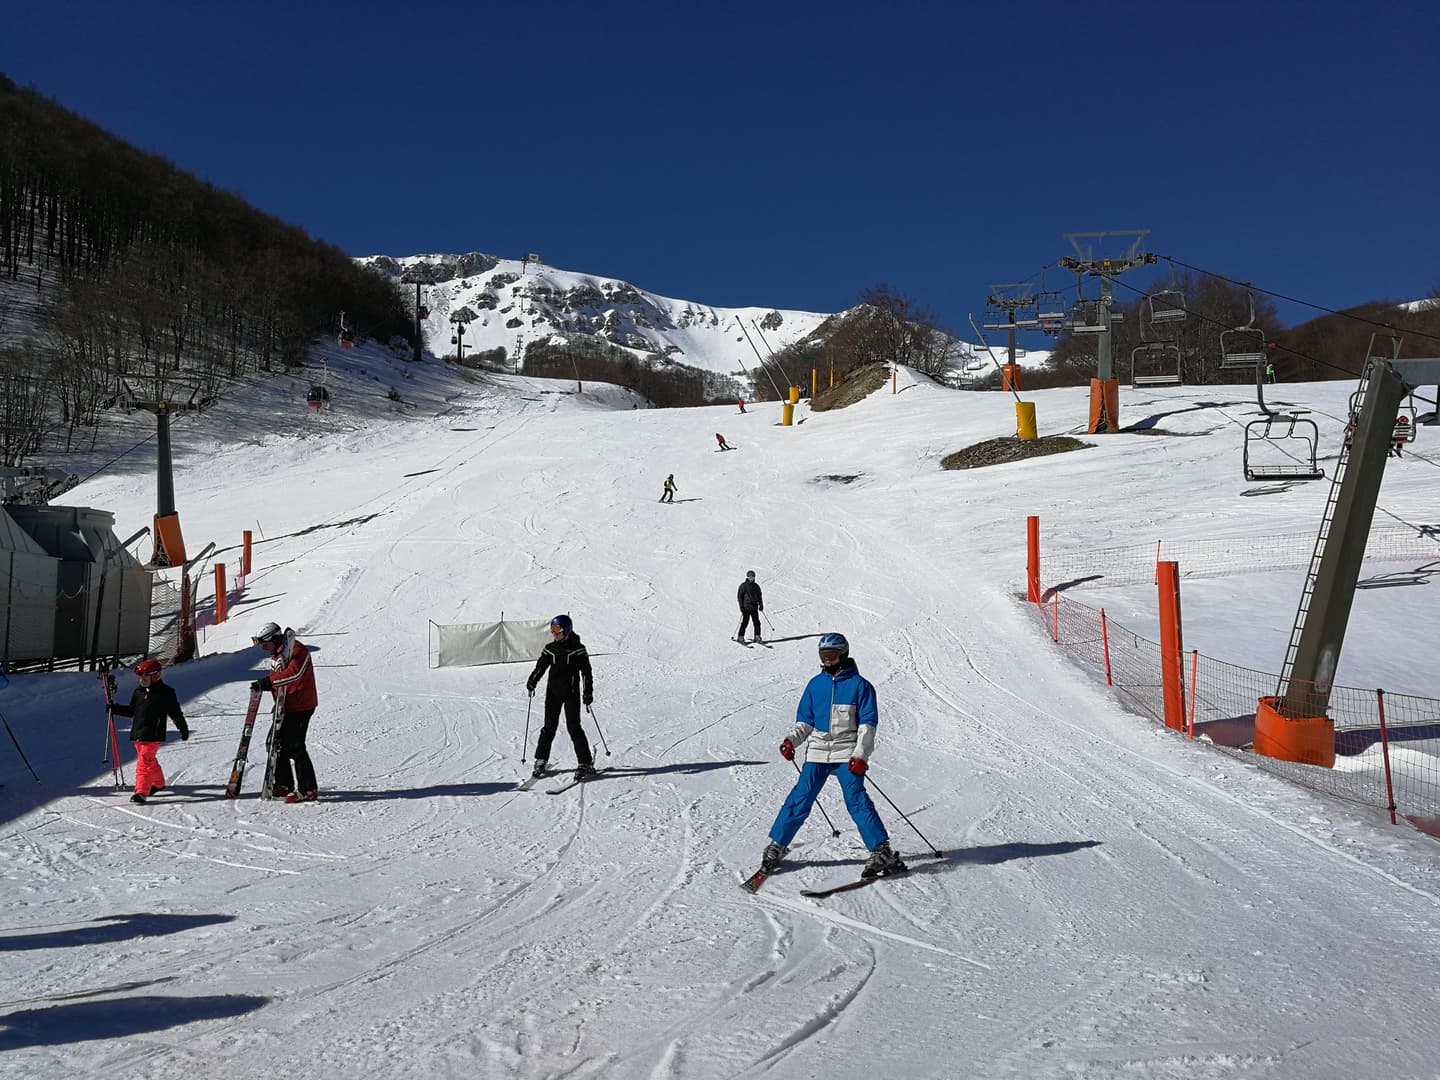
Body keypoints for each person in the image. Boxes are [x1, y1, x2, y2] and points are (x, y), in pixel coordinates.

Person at [760, 633, 905, 879]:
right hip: (818, 751)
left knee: (856, 799)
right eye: (823, 656)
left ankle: (882, 851)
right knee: (801, 797)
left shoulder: (861, 686)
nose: (827, 661)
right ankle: (778, 844)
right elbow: (805, 722)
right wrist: (791, 740)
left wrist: (861, 755)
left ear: (843, 655)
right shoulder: (815, 685)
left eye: (831, 656)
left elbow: (867, 726)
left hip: (847, 751)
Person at [250, 621, 320, 803]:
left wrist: (269, 682)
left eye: (265, 644)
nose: (264, 649)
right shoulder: (277, 653)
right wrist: (266, 685)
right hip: (286, 704)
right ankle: (284, 783)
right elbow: (280, 677)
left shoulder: (298, 650)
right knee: (275, 743)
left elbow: (294, 674)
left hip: (301, 705)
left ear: (274, 639)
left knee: (295, 746)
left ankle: (308, 789)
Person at [109, 658, 189, 804]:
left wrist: (183, 729)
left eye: (145, 676)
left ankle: (140, 792)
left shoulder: (166, 693)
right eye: (140, 676)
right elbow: (131, 711)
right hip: (138, 734)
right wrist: (114, 709)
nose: (142, 679)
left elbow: (175, 713)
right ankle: (158, 783)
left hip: (153, 735)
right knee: (148, 761)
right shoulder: (138, 692)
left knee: (143, 763)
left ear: (156, 676)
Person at [526, 615, 595, 780]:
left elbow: (586, 673)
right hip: (553, 694)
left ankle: (585, 762)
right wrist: (532, 681)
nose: (554, 633)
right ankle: (541, 760)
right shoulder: (550, 649)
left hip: (571, 693)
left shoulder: (578, 650)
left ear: (567, 630)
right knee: (549, 727)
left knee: (574, 727)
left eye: (557, 630)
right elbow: (540, 667)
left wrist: (588, 692)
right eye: (552, 630)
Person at [736, 570, 764, 644]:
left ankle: (757, 636)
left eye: (753, 577)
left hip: (754, 607)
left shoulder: (756, 586)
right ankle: (740, 637)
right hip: (746, 607)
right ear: (747, 577)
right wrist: (741, 606)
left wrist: (761, 604)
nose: (751, 579)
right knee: (745, 622)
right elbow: (740, 597)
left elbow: (759, 596)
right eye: (750, 577)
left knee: (757, 622)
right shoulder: (743, 586)